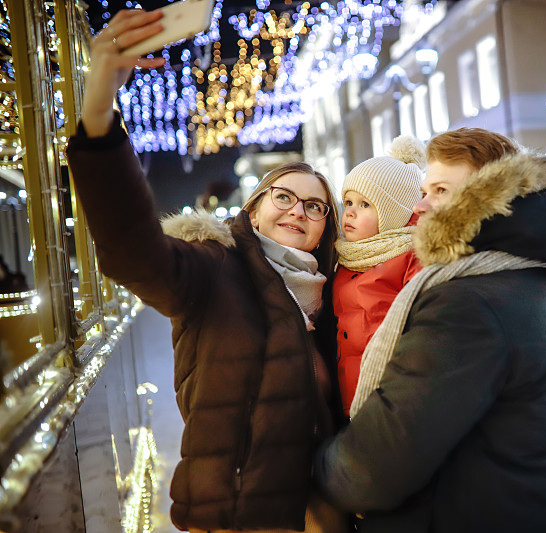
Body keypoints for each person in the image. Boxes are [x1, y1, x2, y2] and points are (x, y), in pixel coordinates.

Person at [65, 9, 348, 532]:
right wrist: (100, 103)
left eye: (314, 207)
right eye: (283, 196)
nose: (297, 212)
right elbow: (132, 251)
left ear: (324, 228)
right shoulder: (215, 269)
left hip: (314, 513)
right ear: (254, 208)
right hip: (236, 518)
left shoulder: (326, 298)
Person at [314, 128, 546, 532]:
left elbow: (381, 459)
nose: (422, 204)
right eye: (425, 189)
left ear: (490, 196)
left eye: (442, 191)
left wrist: (317, 471)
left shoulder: (467, 301)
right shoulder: (528, 276)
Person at [334, 135, 425, 416]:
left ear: (393, 214)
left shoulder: (411, 254)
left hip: (395, 395)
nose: (350, 212)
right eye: (348, 202)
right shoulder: (347, 256)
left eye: (365, 205)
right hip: (350, 395)